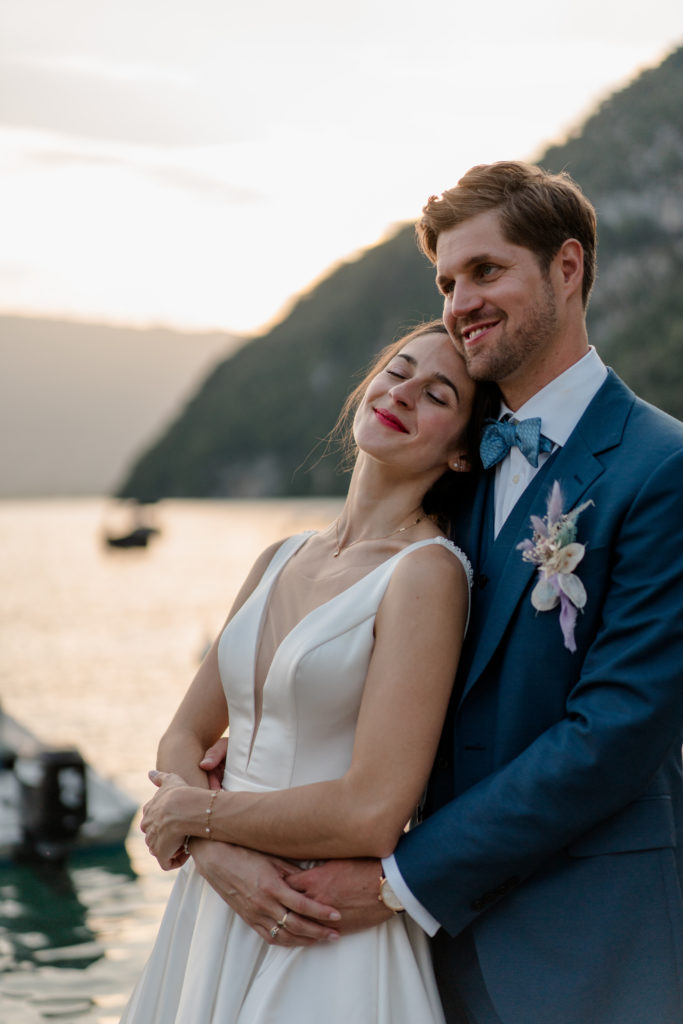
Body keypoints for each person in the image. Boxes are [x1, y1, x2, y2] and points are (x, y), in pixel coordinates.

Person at [198, 162, 683, 1024]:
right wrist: (246, 778)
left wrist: (397, 881)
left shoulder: (660, 466)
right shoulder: (455, 468)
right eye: (447, 281)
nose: (460, 302)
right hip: (420, 955)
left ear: (566, 268)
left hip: (585, 943)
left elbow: (613, 731)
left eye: (486, 272)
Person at [120, 321, 498, 1023]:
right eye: (398, 370)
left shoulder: (426, 575)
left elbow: (371, 813)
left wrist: (194, 813)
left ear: (463, 454)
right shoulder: (278, 557)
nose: (404, 392)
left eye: (437, 394)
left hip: (315, 926)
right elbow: (182, 735)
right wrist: (217, 858)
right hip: (216, 908)